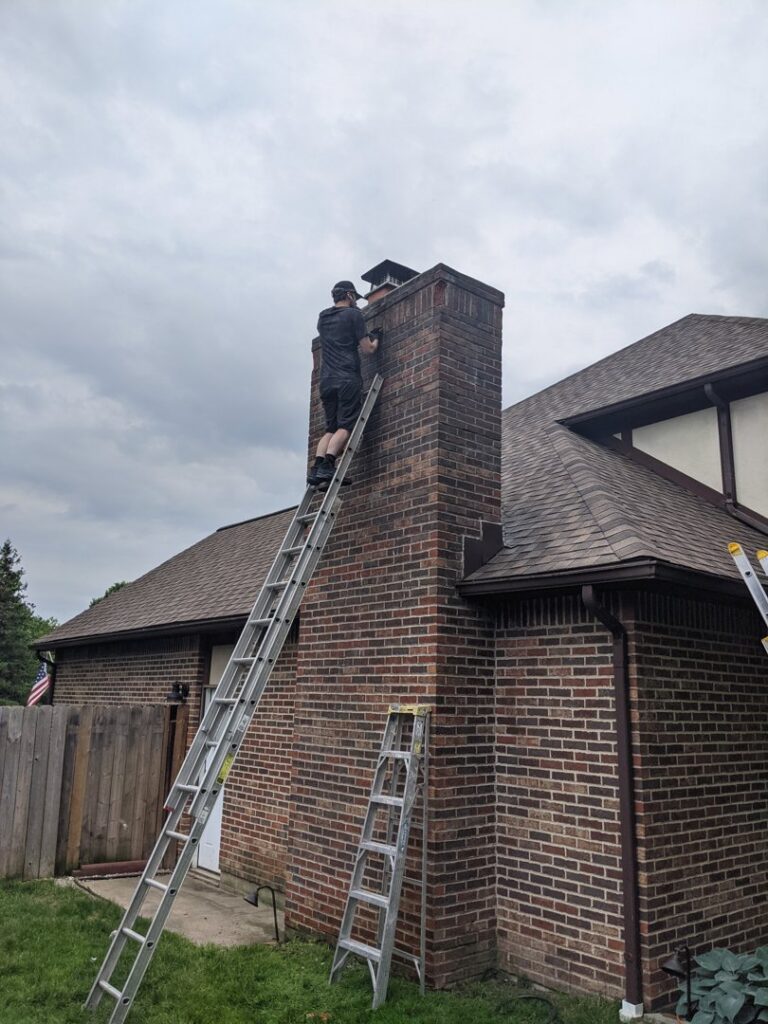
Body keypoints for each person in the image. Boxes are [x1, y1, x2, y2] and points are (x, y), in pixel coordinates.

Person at [308, 280, 380, 488]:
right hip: (347, 377)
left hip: (327, 380)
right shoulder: (353, 315)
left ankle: (317, 468)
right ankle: (329, 465)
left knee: (330, 428)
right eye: (354, 297)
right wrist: (375, 340)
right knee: (346, 425)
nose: (356, 301)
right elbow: (367, 349)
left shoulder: (323, 317)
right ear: (349, 295)